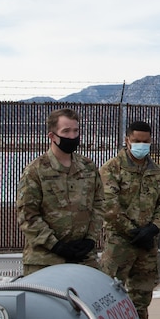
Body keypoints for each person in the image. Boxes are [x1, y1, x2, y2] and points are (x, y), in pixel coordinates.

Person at [99, 121, 160, 319]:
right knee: (109, 295)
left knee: (141, 295)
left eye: (146, 141)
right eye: (137, 140)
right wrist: (133, 231)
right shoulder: (112, 169)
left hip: (146, 244)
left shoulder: (157, 173)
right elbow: (108, 205)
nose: (142, 145)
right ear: (127, 140)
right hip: (120, 243)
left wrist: (153, 228)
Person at [17, 109, 103, 274]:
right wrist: (56, 246)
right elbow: (27, 215)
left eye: (75, 131)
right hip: (46, 260)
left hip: (83, 258)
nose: (72, 136)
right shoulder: (36, 171)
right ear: (52, 136)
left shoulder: (88, 167)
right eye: (66, 131)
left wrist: (91, 240)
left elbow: (99, 204)